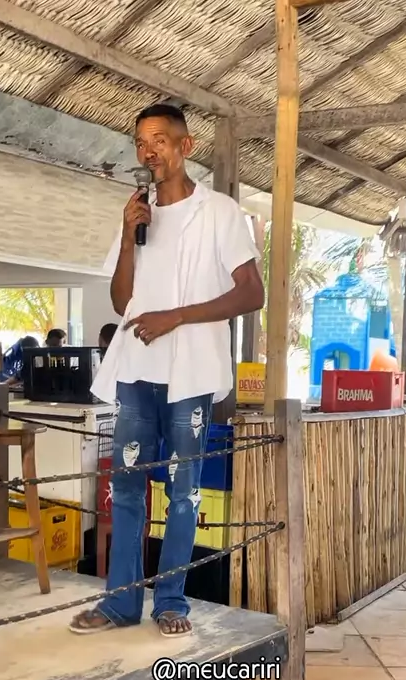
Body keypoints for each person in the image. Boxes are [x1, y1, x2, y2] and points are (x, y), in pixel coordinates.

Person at [69, 102, 264, 638]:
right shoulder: (138, 213)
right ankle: (119, 605)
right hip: (136, 370)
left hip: (191, 375)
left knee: (184, 491)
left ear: (185, 146)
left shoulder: (219, 211)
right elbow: (121, 301)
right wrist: (128, 232)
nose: (148, 151)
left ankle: (172, 603)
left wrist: (176, 316)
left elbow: (252, 293)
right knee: (128, 488)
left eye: (158, 139)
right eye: (140, 142)